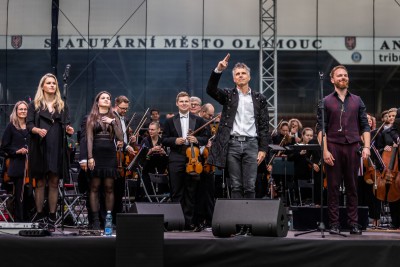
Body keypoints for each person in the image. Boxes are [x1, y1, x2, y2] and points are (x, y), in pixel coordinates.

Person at [206, 53, 270, 199]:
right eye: (237, 74)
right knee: (235, 184)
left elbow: (264, 126)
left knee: (250, 185)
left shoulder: (260, 98)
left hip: (252, 144)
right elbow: (210, 90)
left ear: (249, 77)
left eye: (243, 73)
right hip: (232, 143)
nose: (240, 76)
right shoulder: (228, 95)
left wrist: (263, 149)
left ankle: (249, 220)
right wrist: (218, 70)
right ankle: (237, 220)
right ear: (234, 78)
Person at [316, 65, 370, 235]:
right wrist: (324, 151)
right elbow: (320, 129)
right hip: (333, 146)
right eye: (339, 76)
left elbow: (365, 126)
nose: (343, 78)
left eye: (345, 75)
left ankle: (353, 223)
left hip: (353, 146)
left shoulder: (357, 100)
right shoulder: (325, 101)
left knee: (352, 187)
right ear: (332, 79)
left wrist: (367, 147)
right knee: (333, 188)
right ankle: (334, 224)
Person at [27, 73, 75, 228]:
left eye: (54, 83)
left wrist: (69, 129)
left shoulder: (62, 105)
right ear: (43, 86)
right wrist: (36, 130)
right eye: (49, 83)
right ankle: (40, 215)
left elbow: (66, 124)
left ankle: (52, 217)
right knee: (40, 182)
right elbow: (28, 125)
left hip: (56, 146)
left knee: (54, 182)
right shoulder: (34, 105)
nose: (52, 85)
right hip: (40, 146)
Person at [162, 91, 208, 230]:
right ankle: (176, 222)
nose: (184, 103)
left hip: (192, 156)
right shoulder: (170, 121)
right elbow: (163, 139)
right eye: (181, 101)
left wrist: (197, 139)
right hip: (176, 156)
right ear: (177, 103)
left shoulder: (199, 120)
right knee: (176, 191)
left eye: (186, 101)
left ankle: (189, 223)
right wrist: (175, 140)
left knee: (191, 190)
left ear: (190, 103)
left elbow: (206, 137)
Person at [86, 91, 123, 229]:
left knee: (109, 188)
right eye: (103, 98)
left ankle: (108, 219)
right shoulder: (92, 118)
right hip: (96, 154)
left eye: (108, 98)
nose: (106, 100)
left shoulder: (115, 118)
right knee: (94, 187)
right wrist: (90, 157)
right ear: (98, 101)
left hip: (110, 155)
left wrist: (113, 123)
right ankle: (95, 221)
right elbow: (89, 138)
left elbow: (120, 138)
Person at [0, 101, 30, 222]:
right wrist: (17, 151)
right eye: (20, 109)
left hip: (30, 165)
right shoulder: (11, 126)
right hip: (17, 164)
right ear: (16, 111)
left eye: (25, 109)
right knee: (19, 194)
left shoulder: (31, 126)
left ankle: (29, 219)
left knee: (28, 194)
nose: (23, 111)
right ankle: (19, 220)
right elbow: (4, 147)